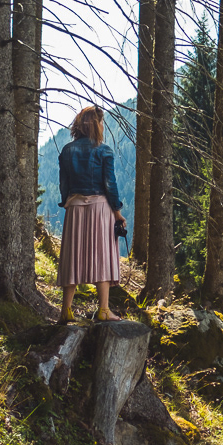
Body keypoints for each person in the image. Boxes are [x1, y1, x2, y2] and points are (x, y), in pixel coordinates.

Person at [56, 105, 125, 322]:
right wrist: (117, 212)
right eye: (101, 122)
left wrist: (66, 201)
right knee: (102, 255)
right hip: (100, 208)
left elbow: (64, 183)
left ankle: (66, 310)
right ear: (96, 124)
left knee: (72, 257)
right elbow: (110, 184)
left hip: (75, 207)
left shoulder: (67, 150)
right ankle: (103, 310)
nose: (103, 126)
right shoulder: (104, 150)